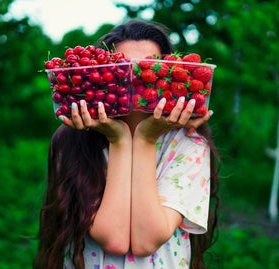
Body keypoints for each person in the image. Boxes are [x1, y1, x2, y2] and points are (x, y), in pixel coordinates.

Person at [34, 19, 220, 269]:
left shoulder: (189, 144)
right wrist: (119, 139)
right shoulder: (72, 139)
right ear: (101, 72)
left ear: (165, 72)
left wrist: (144, 139)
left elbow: (146, 242)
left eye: (147, 66)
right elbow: (113, 239)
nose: (134, 76)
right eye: (121, 67)